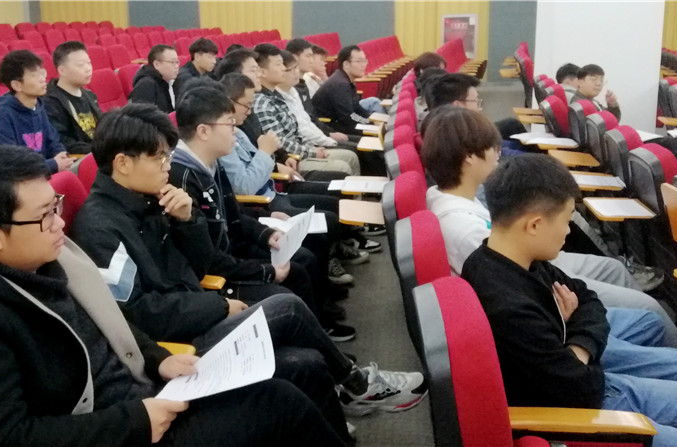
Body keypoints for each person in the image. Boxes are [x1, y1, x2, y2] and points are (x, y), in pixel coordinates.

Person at [0, 144, 350, 447]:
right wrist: (135, 421)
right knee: (278, 400)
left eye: (57, 207)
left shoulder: (48, 259)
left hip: (148, 392)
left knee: (301, 367)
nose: (59, 223)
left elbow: (113, 321)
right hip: (122, 429)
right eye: (44, 215)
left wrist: (158, 359)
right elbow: (6, 437)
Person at [69, 103, 427, 419]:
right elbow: (137, 313)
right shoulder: (100, 228)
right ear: (123, 163)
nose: (168, 167)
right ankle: (356, 383)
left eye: (168, 156)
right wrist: (218, 306)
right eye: (159, 158)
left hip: (196, 310)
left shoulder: (152, 199)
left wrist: (187, 220)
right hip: (176, 343)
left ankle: (347, 391)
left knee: (308, 360)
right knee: (287, 309)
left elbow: (198, 265)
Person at [460, 153, 677, 447]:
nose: (568, 231)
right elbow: (582, 386)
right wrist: (576, 344)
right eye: (566, 221)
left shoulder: (506, 259)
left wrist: (575, 344)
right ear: (534, 225)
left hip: (575, 376)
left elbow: (587, 299)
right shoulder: (508, 306)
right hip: (586, 412)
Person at [423, 106, 677, 352]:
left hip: (538, 262)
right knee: (649, 308)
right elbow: (513, 279)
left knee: (614, 269)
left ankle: (660, 349)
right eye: (492, 148)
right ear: (470, 157)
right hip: (540, 283)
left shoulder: (452, 196)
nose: (497, 154)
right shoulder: (463, 228)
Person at [169, 85, 356, 341]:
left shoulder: (209, 161)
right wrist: (265, 271)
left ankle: (319, 328)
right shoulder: (181, 179)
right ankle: (316, 337)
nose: (235, 131)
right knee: (293, 281)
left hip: (230, 249)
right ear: (203, 131)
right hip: (218, 275)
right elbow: (207, 258)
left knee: (301, 261)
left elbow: (233, 213)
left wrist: (264, 232)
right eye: (229, 124)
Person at [217, 72, 372, 275]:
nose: (250, 111)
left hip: (275, 188)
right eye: (246, 105)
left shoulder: (239, 130)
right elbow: (245, 186)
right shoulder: (225, 139)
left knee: (335, 201)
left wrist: (275, 163)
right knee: (327, 219)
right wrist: (266, 153)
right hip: (263, 200)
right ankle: (329, 261)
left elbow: (304, 126)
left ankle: (336, 249)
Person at [251, 43, 360, 176]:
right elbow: (279, 141)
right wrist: (313, 150)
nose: (283, 68)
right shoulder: (263, 102)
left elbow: (301, 126)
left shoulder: (279, 95)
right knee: (348, 160)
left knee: (352, 155)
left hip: (307, 145)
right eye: (279, 64)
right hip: (294, 157)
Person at [0, 50, 73, 174]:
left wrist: (61, 155)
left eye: (42, 73)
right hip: (24, 177)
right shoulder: (4, 114)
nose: (43, 79)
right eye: (34, 75)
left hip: (43, 171)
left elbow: (53, 140)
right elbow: (10, 162)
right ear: (17, 85)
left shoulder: (38, 105)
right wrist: (52, 164)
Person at [42, 41, 102, 155]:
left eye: (89, 63)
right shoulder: (50, 102)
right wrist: (100, 150)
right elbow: (62, 141)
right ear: (62, 70)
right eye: (80, 65)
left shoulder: (89, 95)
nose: (88, 68)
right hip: (81, 157)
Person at [312, 45, 383, 135]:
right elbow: (349, 117)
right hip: (330, 129)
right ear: (346, 64)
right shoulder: (340, 84)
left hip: (341, 124)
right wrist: (369, 123)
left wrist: (371, 119)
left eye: (364, 61)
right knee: (376, 135)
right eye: (359, 61)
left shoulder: (345, 79)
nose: (364, 65)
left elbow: (357, 108)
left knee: (379, 127)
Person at [128, 44, 179, 113]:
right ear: (156, 64)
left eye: (177, 62)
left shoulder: (165, 81)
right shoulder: (145, 85)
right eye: (172, 62)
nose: (176, 66)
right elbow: (144, 117)